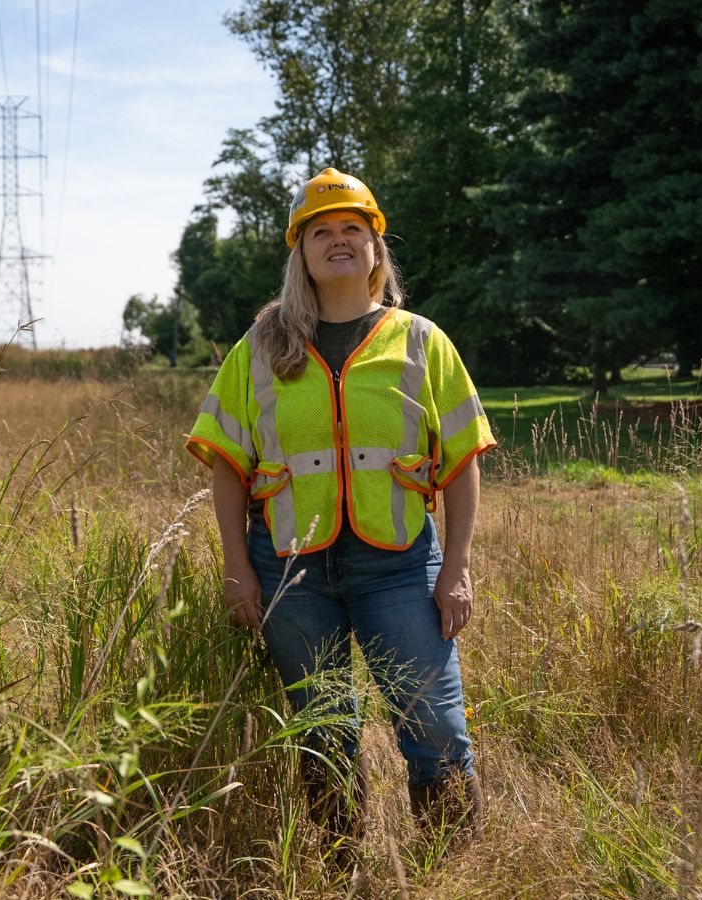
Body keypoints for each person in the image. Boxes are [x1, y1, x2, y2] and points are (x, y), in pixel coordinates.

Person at [185, 168, 495, 868]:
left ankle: (452, 877)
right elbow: (228, 465)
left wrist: (457, 567)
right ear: (301, 252)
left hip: (399, 566)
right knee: (322, 733)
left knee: (437, 730)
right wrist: (235, 568)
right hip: (288, 572)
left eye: (353, 227)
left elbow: (461, 460)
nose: (339, 240)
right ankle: (337, 874)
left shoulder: (421, 341)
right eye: (321, 231)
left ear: (376, 246)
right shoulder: (259, 347)